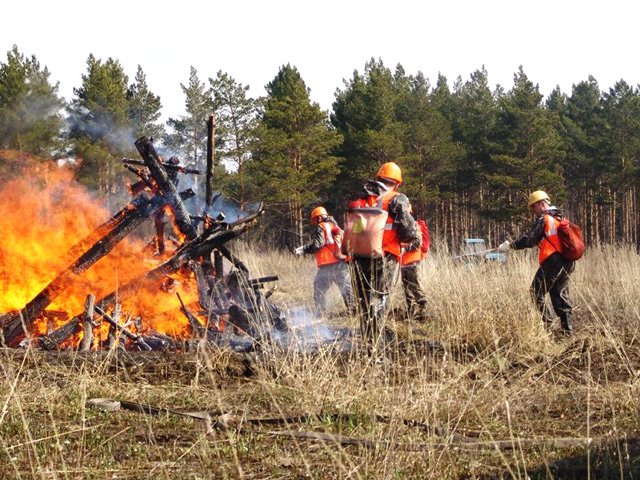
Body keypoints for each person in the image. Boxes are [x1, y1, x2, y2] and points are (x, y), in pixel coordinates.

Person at [345, 162, 422, 342]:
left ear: (379, 178)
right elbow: (409, 232)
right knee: (379, 300)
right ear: (397, 183)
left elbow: (353, 229)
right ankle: (376, 344)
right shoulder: (396, 198)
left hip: (358, 256)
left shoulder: (361, 200)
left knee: (364, 302)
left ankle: (367, 336)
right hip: (384, 257)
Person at [498, 190, 574, 335]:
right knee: (558, 294)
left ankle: (549, 327)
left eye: (533, 207)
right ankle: (567, 332)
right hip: (568, 261)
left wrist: (510, 246)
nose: (533, 211)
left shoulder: (544, 218)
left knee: (535, 293)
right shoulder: (560, 217)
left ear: (541, 203)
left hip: (553, 260)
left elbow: (530, 239)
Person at [294, 206, 352, 314]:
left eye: (315, 219)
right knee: (346, 289)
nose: (314, 222)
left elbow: (317, 245)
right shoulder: (335, 226)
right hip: (341, 263)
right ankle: (354, 311)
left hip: (328, 265)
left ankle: (321, 313)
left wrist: (303, 249)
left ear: (319, 218)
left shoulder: (321, 226)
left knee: (319, 287)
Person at [399, 205, 429, 321]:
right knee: (406, 287)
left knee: (415, 285)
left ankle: (423, 309)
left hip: (412, 260)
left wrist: (404, 249)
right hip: (404, 261)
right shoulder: (402, 225)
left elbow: (418, 242)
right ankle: (410, 310)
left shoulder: (413, 225)